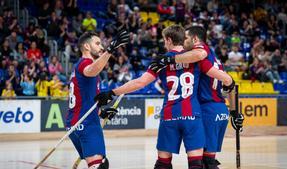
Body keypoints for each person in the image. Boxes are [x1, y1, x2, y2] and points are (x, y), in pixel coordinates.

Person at [96, 25, 207, 169]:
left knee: (163, 164)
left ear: (168, 40)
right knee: (196, 164)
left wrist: (111, 93)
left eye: (164, 40)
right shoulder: (195, 56)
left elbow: (140, 82)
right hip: (193, 114)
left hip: (170, 116)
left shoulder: (160, 61)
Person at [153, 26, 244, 169]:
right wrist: (234, 111)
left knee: (205, 163)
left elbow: (199, 54)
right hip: (219, 109)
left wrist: (168, 59)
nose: (183, 41)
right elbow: (230, 82)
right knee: (208, 160)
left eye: (186, 38)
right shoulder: (214, 56)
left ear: (195, 39)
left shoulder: (200, 51)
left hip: (207, 108)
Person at [66, 28, 129, 169]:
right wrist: (110, 50)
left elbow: (85, 99)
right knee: (98, 166)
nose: (101, 47)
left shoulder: (79, 68)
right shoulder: (84, 64)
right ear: (87, 46)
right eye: (97, 43)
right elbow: (92, 70)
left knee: (102, 163)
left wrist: (101, 113)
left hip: (76, 122)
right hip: (86, 123)